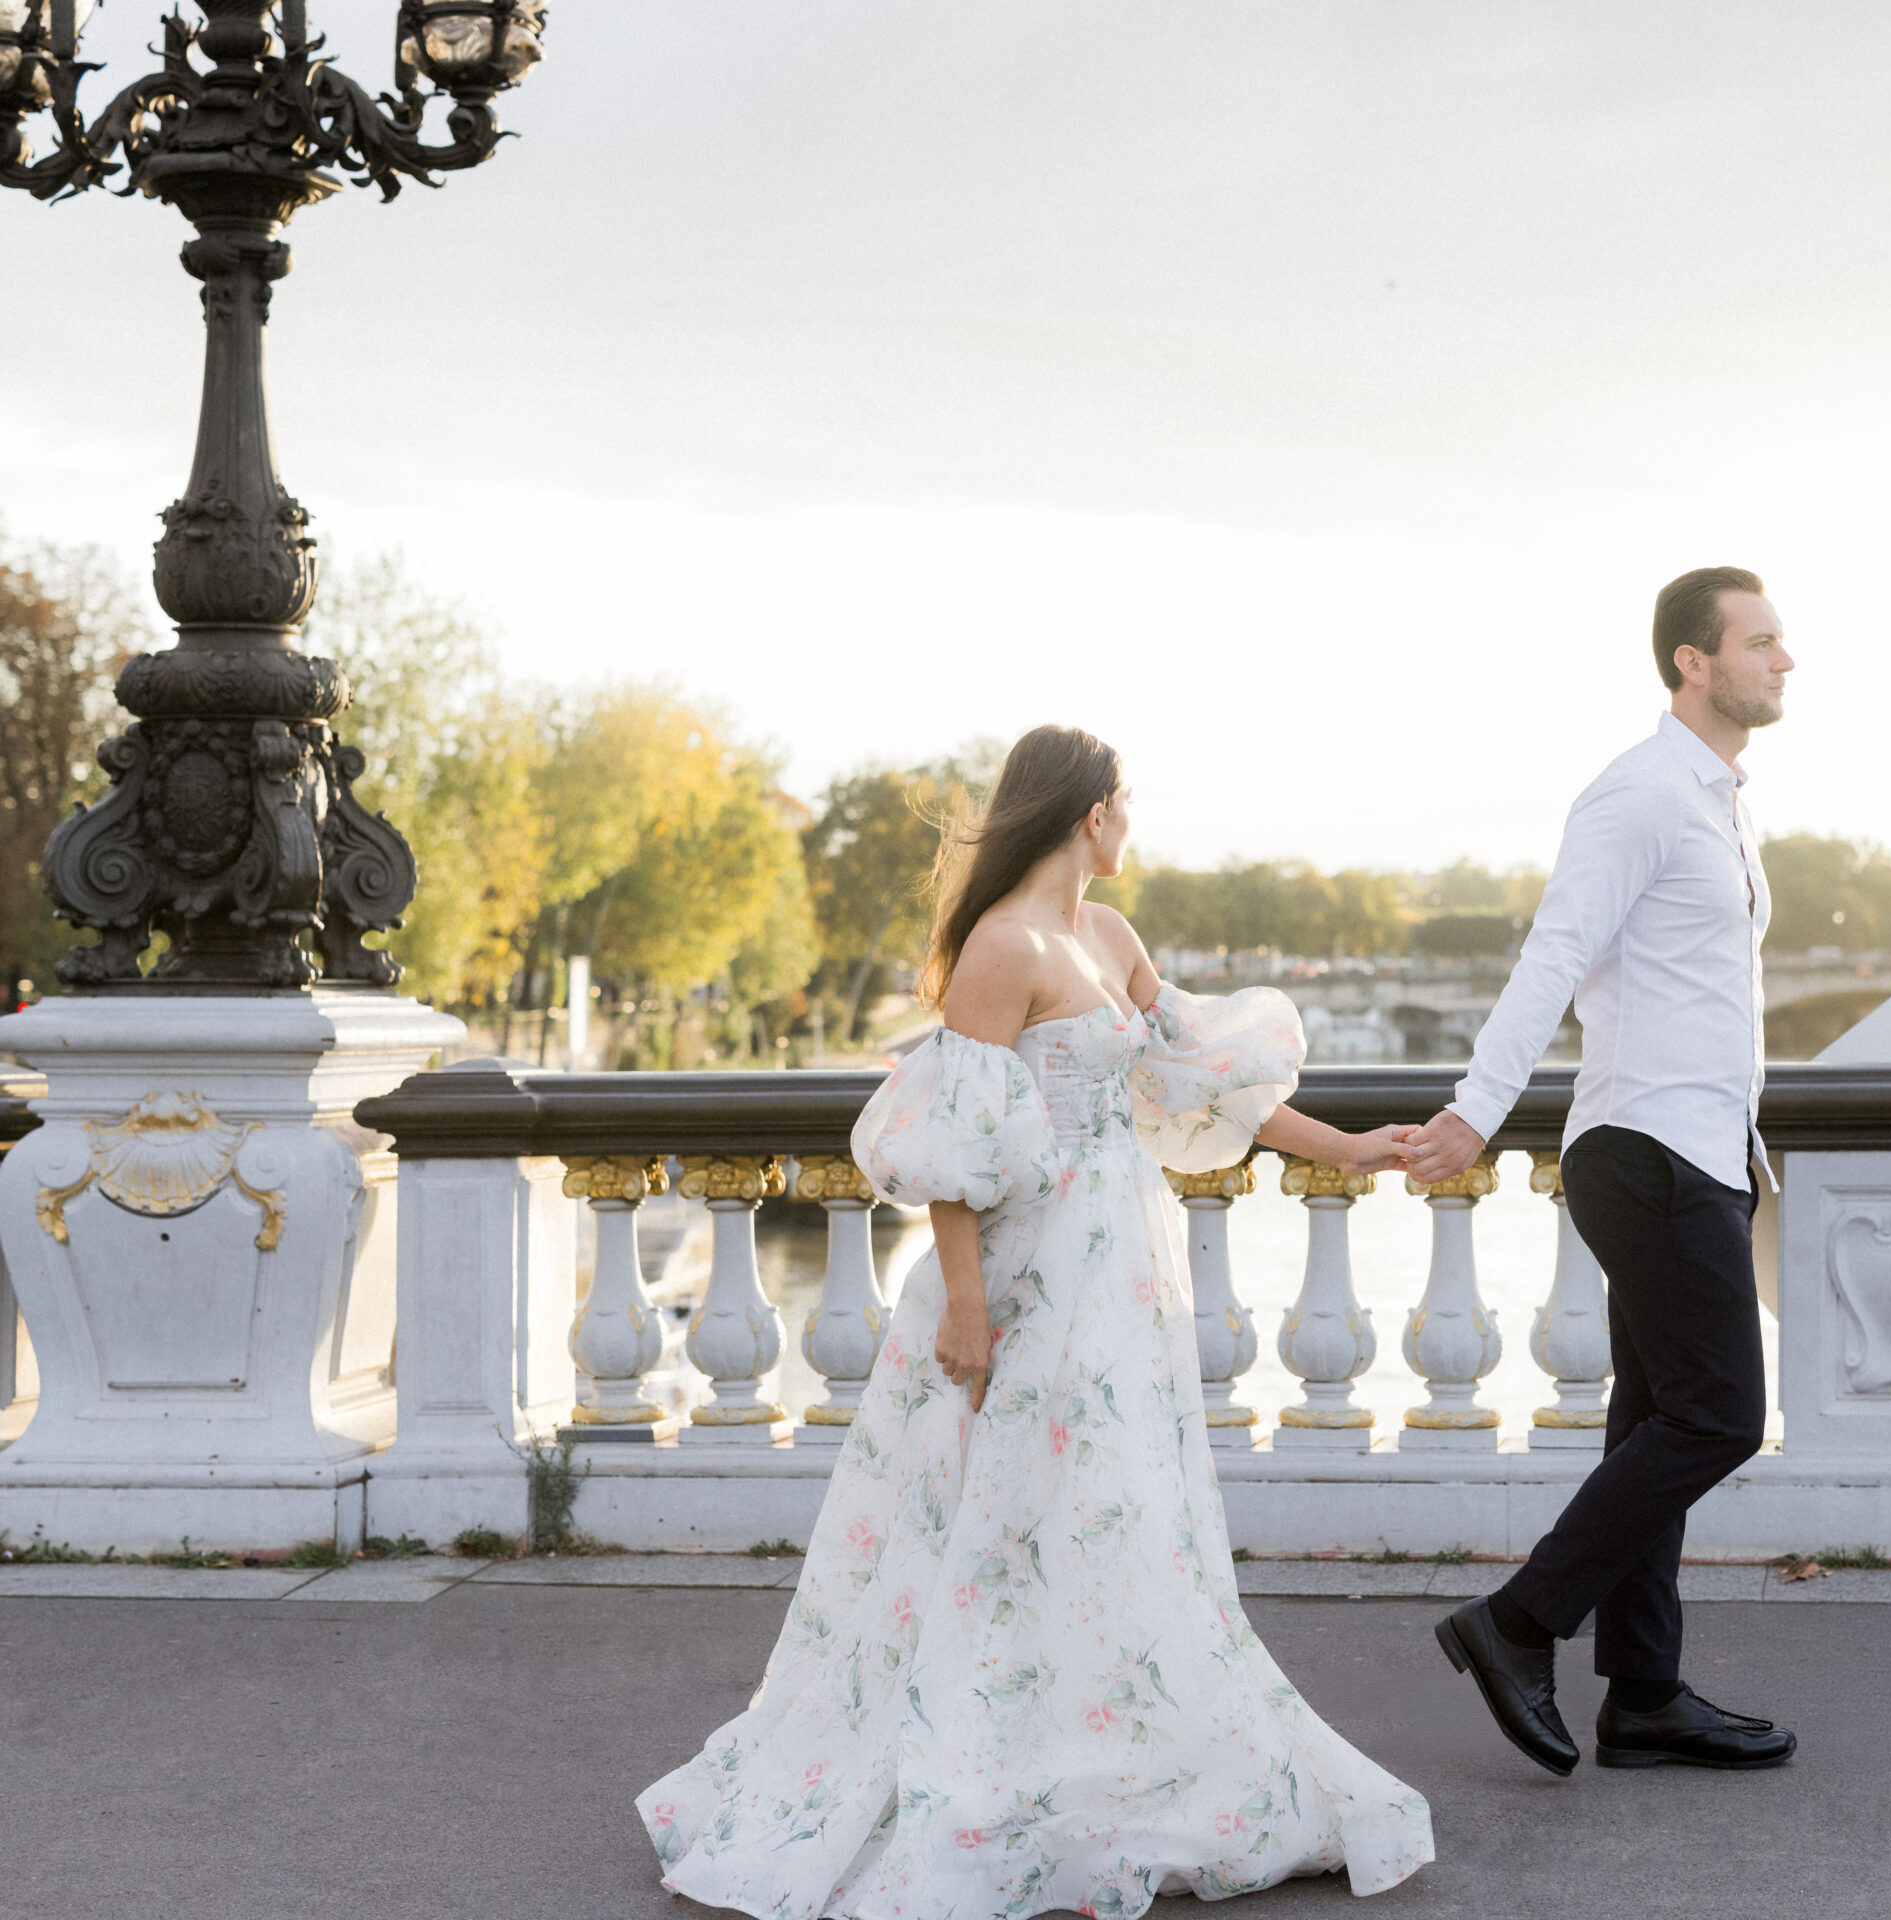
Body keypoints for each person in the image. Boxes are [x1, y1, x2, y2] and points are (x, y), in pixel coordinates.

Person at [640, 724, 1433, 1920]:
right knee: (999, 1519)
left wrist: (1354, 1148)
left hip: (1118, 1272)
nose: (1134, 826)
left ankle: (1100, 1768)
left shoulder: (1107, 937)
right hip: (1022, 1274)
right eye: (1128, 804)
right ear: (1089, 813)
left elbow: (1204, 1082)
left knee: (1113, 1510)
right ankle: (999, 1780)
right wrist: (965, 1308)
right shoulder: (1000, 953)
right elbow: (957, 1150)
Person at [1405, 566, 1801, 1777]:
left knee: (1652, 1420)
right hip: (1643, 1147)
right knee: (1723, 1415)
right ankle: (1516, 1622)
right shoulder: (1636, 796)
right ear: (1693, 660)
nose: (1786, 661)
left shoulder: (1720, 802)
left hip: (1701, 1150)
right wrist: (1475, 1113)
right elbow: (1553, 956)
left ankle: (1644, 1694)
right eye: (1762, 642)